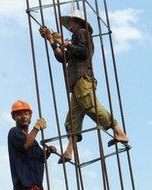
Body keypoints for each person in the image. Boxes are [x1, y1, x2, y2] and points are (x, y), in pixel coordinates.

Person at [39, 9, 128, 164]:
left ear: (77, 21)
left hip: (82, 79)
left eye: (71, 22)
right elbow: (62, 58)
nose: (69, 25)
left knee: (91, 107)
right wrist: (51, 41)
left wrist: (63, 42)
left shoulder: (82, 32)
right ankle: (69, 151)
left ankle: (119, 132)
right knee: (72, 120)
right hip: (76, 83)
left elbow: (84, 52)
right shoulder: (75, 39)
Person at [8, 100, 57, 190]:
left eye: (25, 113)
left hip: (35, 181)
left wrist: (47, 152)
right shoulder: (14, 132)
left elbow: (39, 159)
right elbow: (25, 145)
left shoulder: (33, 141)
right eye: (19, 114)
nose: (23, 116)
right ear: (14, 118)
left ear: (30, 115)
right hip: (24, 180)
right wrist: (36, 128)